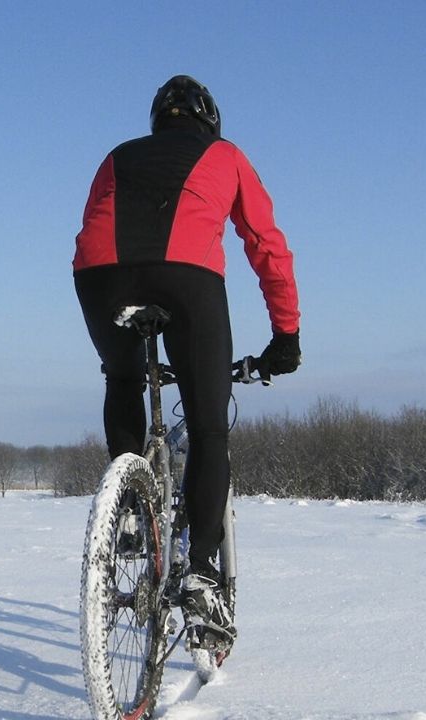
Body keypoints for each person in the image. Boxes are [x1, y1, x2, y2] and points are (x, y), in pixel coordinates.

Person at [72, 75, 302, 645]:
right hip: (186, 279)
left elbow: (92, 219)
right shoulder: (225, 155)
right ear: (210, 121)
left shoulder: (117, 155)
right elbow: (266, 244)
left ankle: (127, 511)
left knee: (123, 376)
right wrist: (285, 336)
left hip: (99, 277)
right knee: (206, 427)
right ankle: (200, 572)